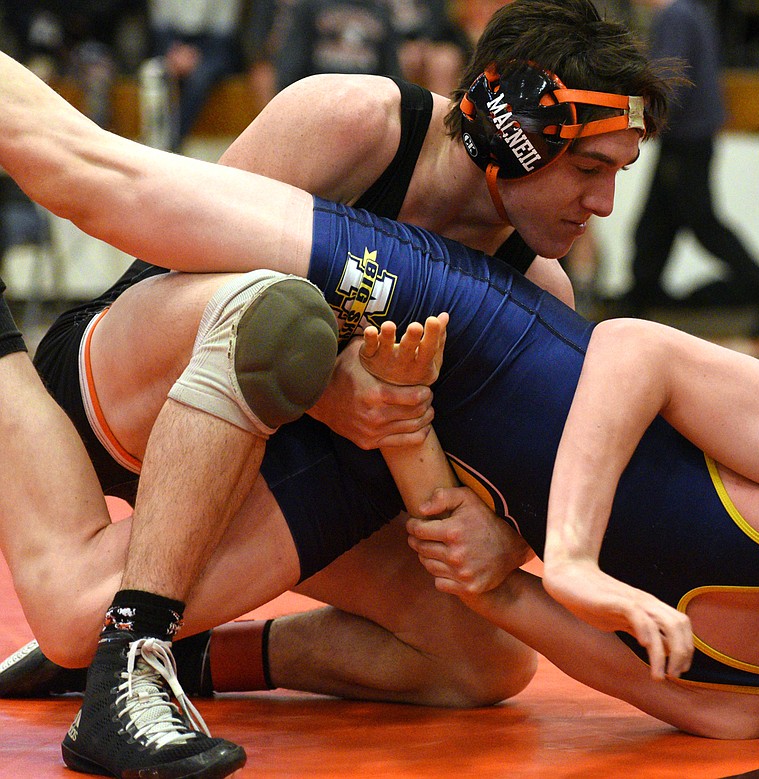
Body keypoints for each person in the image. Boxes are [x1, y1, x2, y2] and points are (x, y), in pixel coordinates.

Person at [0, 43, 759, 770]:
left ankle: (165, 655)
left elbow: (486, 577)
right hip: (464, 322)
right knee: (96, 175)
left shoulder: (742, 703)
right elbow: (633, 351)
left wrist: (413, 445)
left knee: (72, 618)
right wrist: (571, 556)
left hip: (406, 430)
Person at [2, 1, 674, 775]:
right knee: (272, 313)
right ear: (514, 130)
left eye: (618, 173)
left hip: (264, 464)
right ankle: (132, 656)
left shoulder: (539, 294)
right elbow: (170, 251)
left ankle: (185, 662)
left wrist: (505, 537)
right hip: (141, 378)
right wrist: (325, 381)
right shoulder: (353, 121)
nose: (603, 205)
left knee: (483, 660)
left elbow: (512, 479)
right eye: (589, 169)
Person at [622, 0, 759, 338]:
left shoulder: (675, 16)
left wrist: (634, 120)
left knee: (701, 224)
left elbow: (669, 80)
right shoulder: (692, 11)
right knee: (657, 224)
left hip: (686, 140)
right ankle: (636, 303)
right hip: (690, 137)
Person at [148, 0, 244, 151]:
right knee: (154, 73)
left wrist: (193, 55)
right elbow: (160, 23)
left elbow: (225, 30)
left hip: (214, 47)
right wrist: (174, 52)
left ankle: (171, 145)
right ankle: (157, 142)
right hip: (173, 45)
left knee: (199, 79)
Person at [274, 0, 403, 93]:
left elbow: (392, 72)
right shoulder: (309, 7)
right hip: (317, 96)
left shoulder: (381, 11)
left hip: (367, 100)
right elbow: (291, 66)